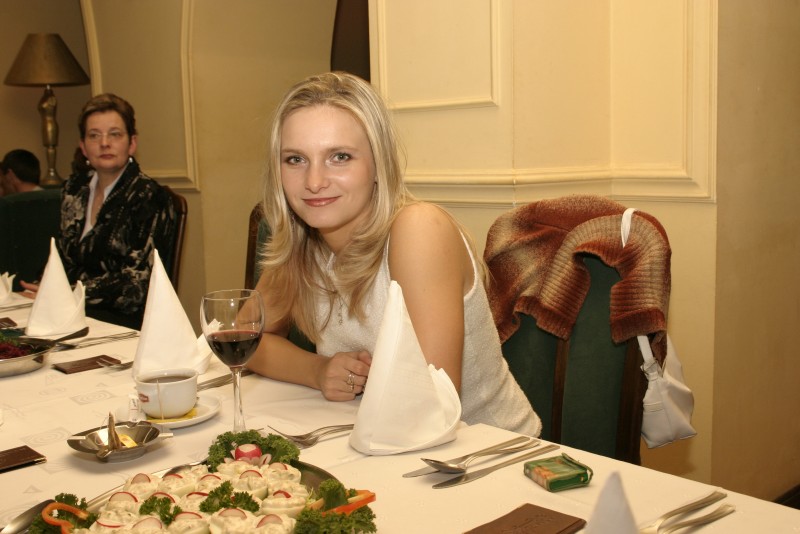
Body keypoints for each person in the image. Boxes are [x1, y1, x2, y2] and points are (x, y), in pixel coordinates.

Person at [247, 72, 541, 435]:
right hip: (374, 434)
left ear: (378, 165)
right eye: (295, 159)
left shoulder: (419, 229)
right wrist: (318, 371)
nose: (314, 181)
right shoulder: (302, 241)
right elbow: (245, 339)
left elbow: (432, 406)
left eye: (340, 157)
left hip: (484, 450)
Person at [20, 94, 177, 330]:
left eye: (115, 134)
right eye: (94, 135)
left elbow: (136, 286)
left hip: (123, 324)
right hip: (69, 314)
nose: (104, 143)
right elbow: (62, 259)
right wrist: (41, 288)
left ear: (132, 143)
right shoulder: (74, 189)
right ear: (83, 147)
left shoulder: (149, 196)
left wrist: (70, 293)